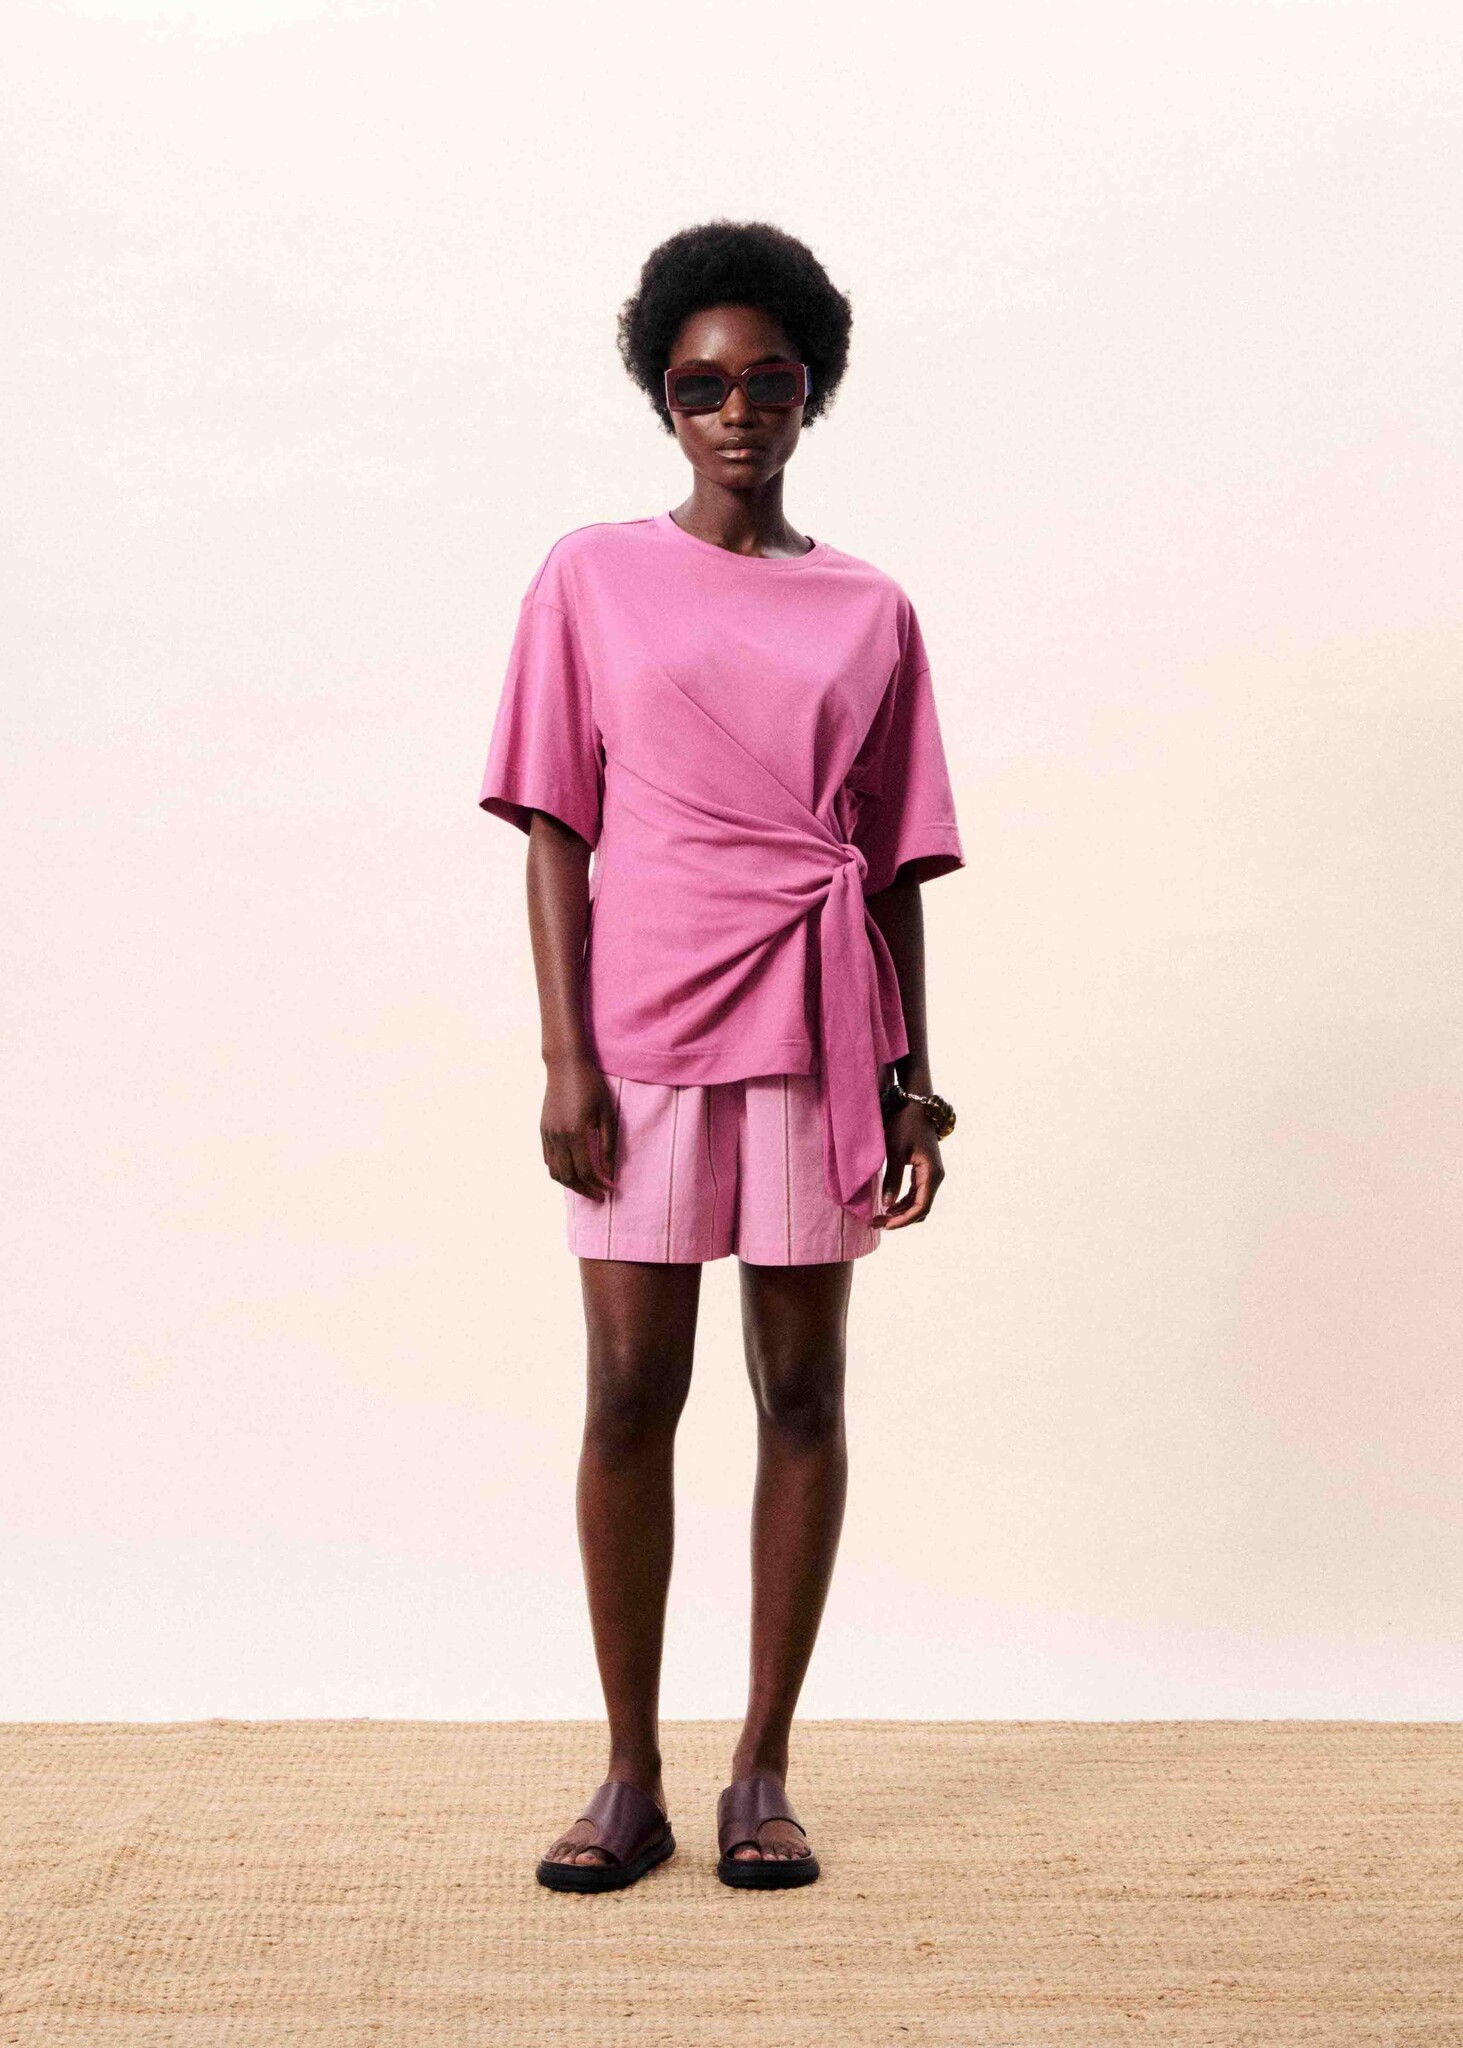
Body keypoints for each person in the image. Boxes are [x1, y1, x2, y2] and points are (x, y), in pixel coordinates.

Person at [477, 220, 965, 1893]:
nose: (737, 410)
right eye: (702, 385)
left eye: (769, 380)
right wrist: (566, 1058)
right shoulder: (589, 576)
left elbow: (891, 869)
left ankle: (763, 1768)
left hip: (826, 1034)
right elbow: (556, 827)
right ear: (661, 400)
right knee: (631, 1390)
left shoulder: (872, 606)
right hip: (645, 1032)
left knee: (803, 1391)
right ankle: (630, 1775)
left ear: (812, 391)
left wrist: (912, 1082)